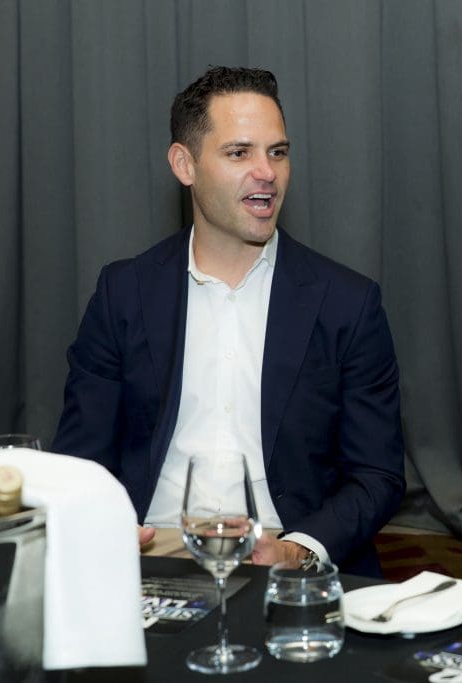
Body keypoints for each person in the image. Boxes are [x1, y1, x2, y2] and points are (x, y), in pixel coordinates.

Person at [52, 66, 404, 577]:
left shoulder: (348, 303)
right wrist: (107, 529)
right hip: (153, 548)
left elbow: (377, 475)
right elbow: (80, 460)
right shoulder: (123, 293)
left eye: (277, 152)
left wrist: (297, 549)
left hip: (285, 549)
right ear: (185, 164)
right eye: (239, 153)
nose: (267, 172)